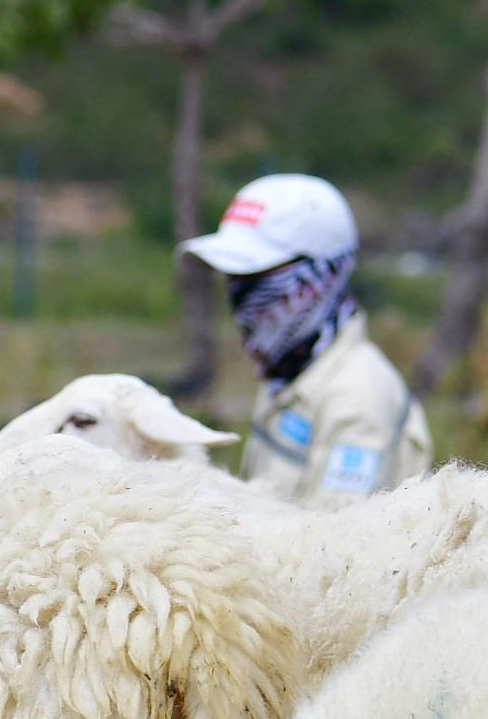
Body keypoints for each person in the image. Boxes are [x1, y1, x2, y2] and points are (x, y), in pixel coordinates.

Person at [178, 173, 431, 505]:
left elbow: (333, 547)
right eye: (233, 277)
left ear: (321, 276)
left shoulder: (357, 399)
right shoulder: (290, 368)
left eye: (256, 277)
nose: (240, 296)